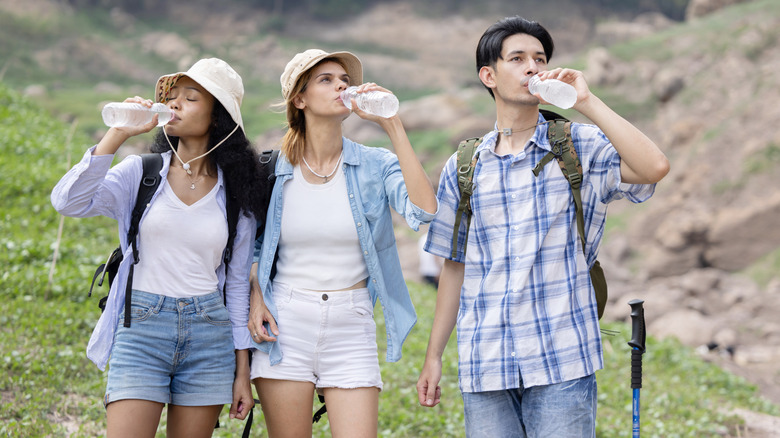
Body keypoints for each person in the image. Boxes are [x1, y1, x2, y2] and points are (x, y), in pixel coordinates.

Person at [416, 16, 670, 437]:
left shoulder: (576, 145)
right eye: (517, 58)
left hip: (562, 357)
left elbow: (654, 167)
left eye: (540, 58)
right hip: (485, 361)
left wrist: (586, 102)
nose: (532, 67)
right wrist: (434, 355)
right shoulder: (465, 165)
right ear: (489, 76)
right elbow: (454, 267)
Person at [51, 58, 267, 437]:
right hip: (142, 329)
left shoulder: (237, 192)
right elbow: (68, 201)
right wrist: (118, 133)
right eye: (173, 96)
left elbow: (235, 286)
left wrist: (242, 372)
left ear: (218, 115)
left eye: (191, 97)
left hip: (208, 335)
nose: (175, 103)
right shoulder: (142, 173)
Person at [247, 49, 437, 438]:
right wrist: (255, 295)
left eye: (344, 80)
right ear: (299, 99)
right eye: (326, 80)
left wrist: (393, 126)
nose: (341, 86)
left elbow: (424, 211)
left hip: (351, 324)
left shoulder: (375, 164)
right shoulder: (271, 168)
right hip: (285, 320)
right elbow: (249, 248)